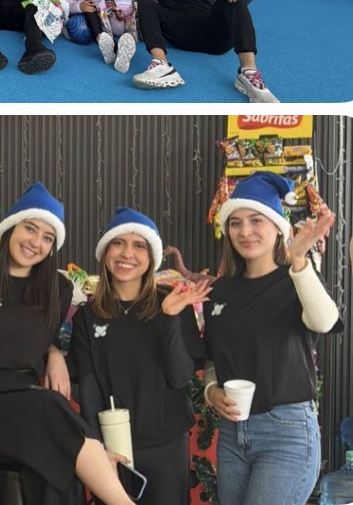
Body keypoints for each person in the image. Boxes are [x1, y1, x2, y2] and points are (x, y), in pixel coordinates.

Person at [0, 182, 134, 505]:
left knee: (52, 461)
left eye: (47, 237)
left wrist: (53, 352)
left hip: (25, 409)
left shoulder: (58, 290)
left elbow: (36, 338)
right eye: (30, 229)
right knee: (49, 411)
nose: (36, 242)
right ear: (11, 227)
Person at [203, 172, 340, 505]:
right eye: (235, 223)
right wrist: (211, 391)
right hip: (233, 436)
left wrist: (299, 261)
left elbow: (324, 322)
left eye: (256, 220)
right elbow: (212, 358)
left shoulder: (296, 278)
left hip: (287, 433)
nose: (245, 231)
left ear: (278, 227)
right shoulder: (219, 291)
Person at [70, 207, 210, 505]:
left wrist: (170, 319)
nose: (127, 254)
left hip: (166, 441)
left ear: (151, 258)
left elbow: (180, 377)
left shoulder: (173, 301)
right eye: (118, 243)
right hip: (113, 446)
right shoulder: (87, 316)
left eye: (139, 246)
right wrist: (97, 449)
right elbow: (89, 386)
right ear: (106, 252)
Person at [131, 0, 279, 102]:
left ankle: (248, 72)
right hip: (179, 35)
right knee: (144, 5)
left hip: (213, 34)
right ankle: (161, 65)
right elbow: (147, 1)